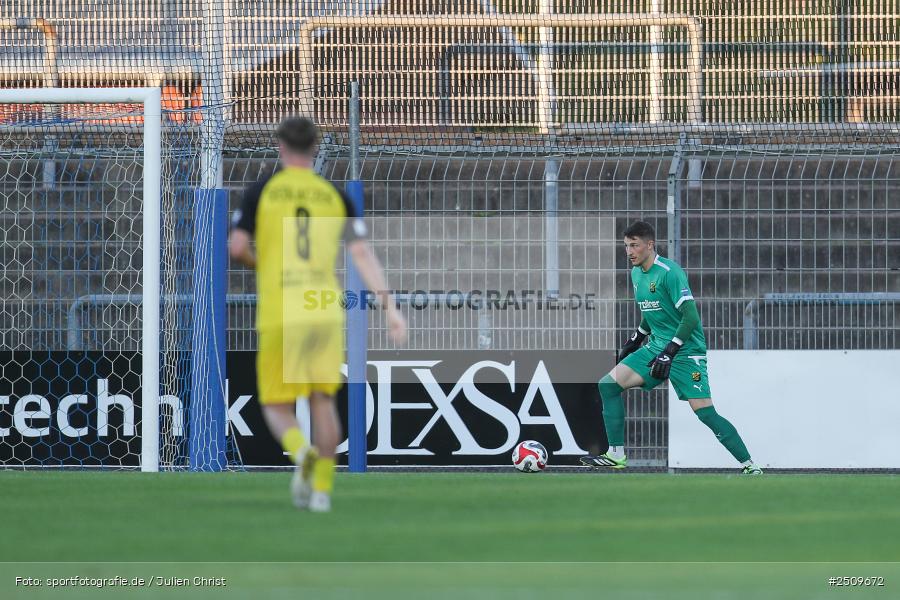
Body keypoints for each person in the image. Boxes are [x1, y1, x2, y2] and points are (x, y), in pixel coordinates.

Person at [229, 116, 407, 511]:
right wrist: (391, 308)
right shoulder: (334, 195)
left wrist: (265, 265)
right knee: (322, 402)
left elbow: (237, 247)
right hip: (324, 309)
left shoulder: (263, 191)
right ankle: (322, 491)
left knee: (276, 404)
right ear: (315, 148)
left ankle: (301, 454)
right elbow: (362, 255)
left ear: (280, 146)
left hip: (282, 308)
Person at [581, 221, 762, 475]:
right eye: (626, 246)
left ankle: (750, 466)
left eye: (634, 245)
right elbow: (653, 311)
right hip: (657, 346)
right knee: (608, 385)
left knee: (706, 413)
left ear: (649, 245)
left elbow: (690, 317)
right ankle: (616, 454)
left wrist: (671, 350)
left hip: (686, 351)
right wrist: (635, 339)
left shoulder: (670, 272)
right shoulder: (636, 273)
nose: (629, 251)